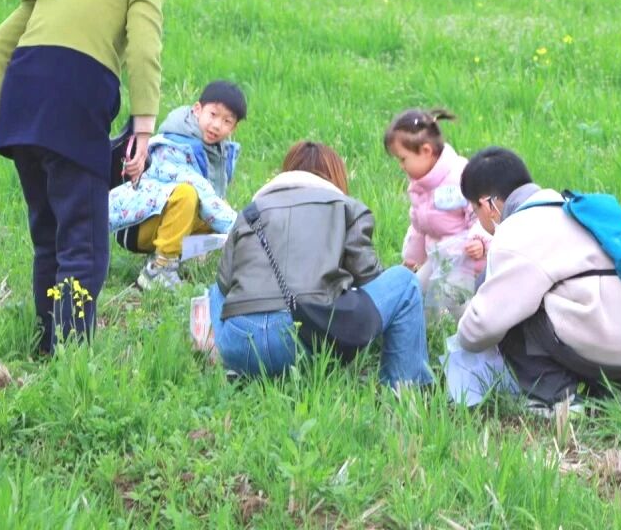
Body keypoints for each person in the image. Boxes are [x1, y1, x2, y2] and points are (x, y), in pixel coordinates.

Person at [0, 0, 168, 354]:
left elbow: (3, 39)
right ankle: (72, 359)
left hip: (23, 101)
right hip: (74, 101)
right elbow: (143, 50)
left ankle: (47, 346)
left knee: (49, 237)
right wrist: (143, 126)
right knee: (85, 245)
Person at [456, 147, 621, 414]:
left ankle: (556, 399)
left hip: (607, 342)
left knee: (512, 307)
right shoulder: (578, 209)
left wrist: (461, 338)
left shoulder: (517, 231)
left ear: (489, 204)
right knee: (568, 294)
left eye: (474, 210)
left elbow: (485, 322)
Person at [210, 141, 432, 388]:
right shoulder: (348, 208)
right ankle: (406, 388)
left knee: (215, 289)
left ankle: (228, 361)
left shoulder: (249, 213)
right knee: (403, 282)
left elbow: (223, 285)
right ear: (336, 175)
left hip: (239, 343)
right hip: (300, 341)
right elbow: (369, 277)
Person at [109, 80, 246, 290]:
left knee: (216, 205)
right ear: (197, 109)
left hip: (163, 222)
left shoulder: (218, 151)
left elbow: (214, 201)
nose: (217, 125)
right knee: (187, 194)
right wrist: (245, 231)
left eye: (227, 121)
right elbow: (202, 193)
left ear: (234, 127)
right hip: (138, 226)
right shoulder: (173, 144)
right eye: (213, 115)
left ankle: (171, 257)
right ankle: (159, 269)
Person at [383, 108, 489, 321]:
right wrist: (412, 258)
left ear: (426, 151)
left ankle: (479, 338)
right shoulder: (419, 186)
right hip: (438, 256)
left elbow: (480, 214)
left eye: (403, 159)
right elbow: (418, 226)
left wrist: (480, 241)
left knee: (457, 300)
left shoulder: (460, 176)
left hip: (464, 258)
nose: (401, 166)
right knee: (416, 290)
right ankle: (427, 334)